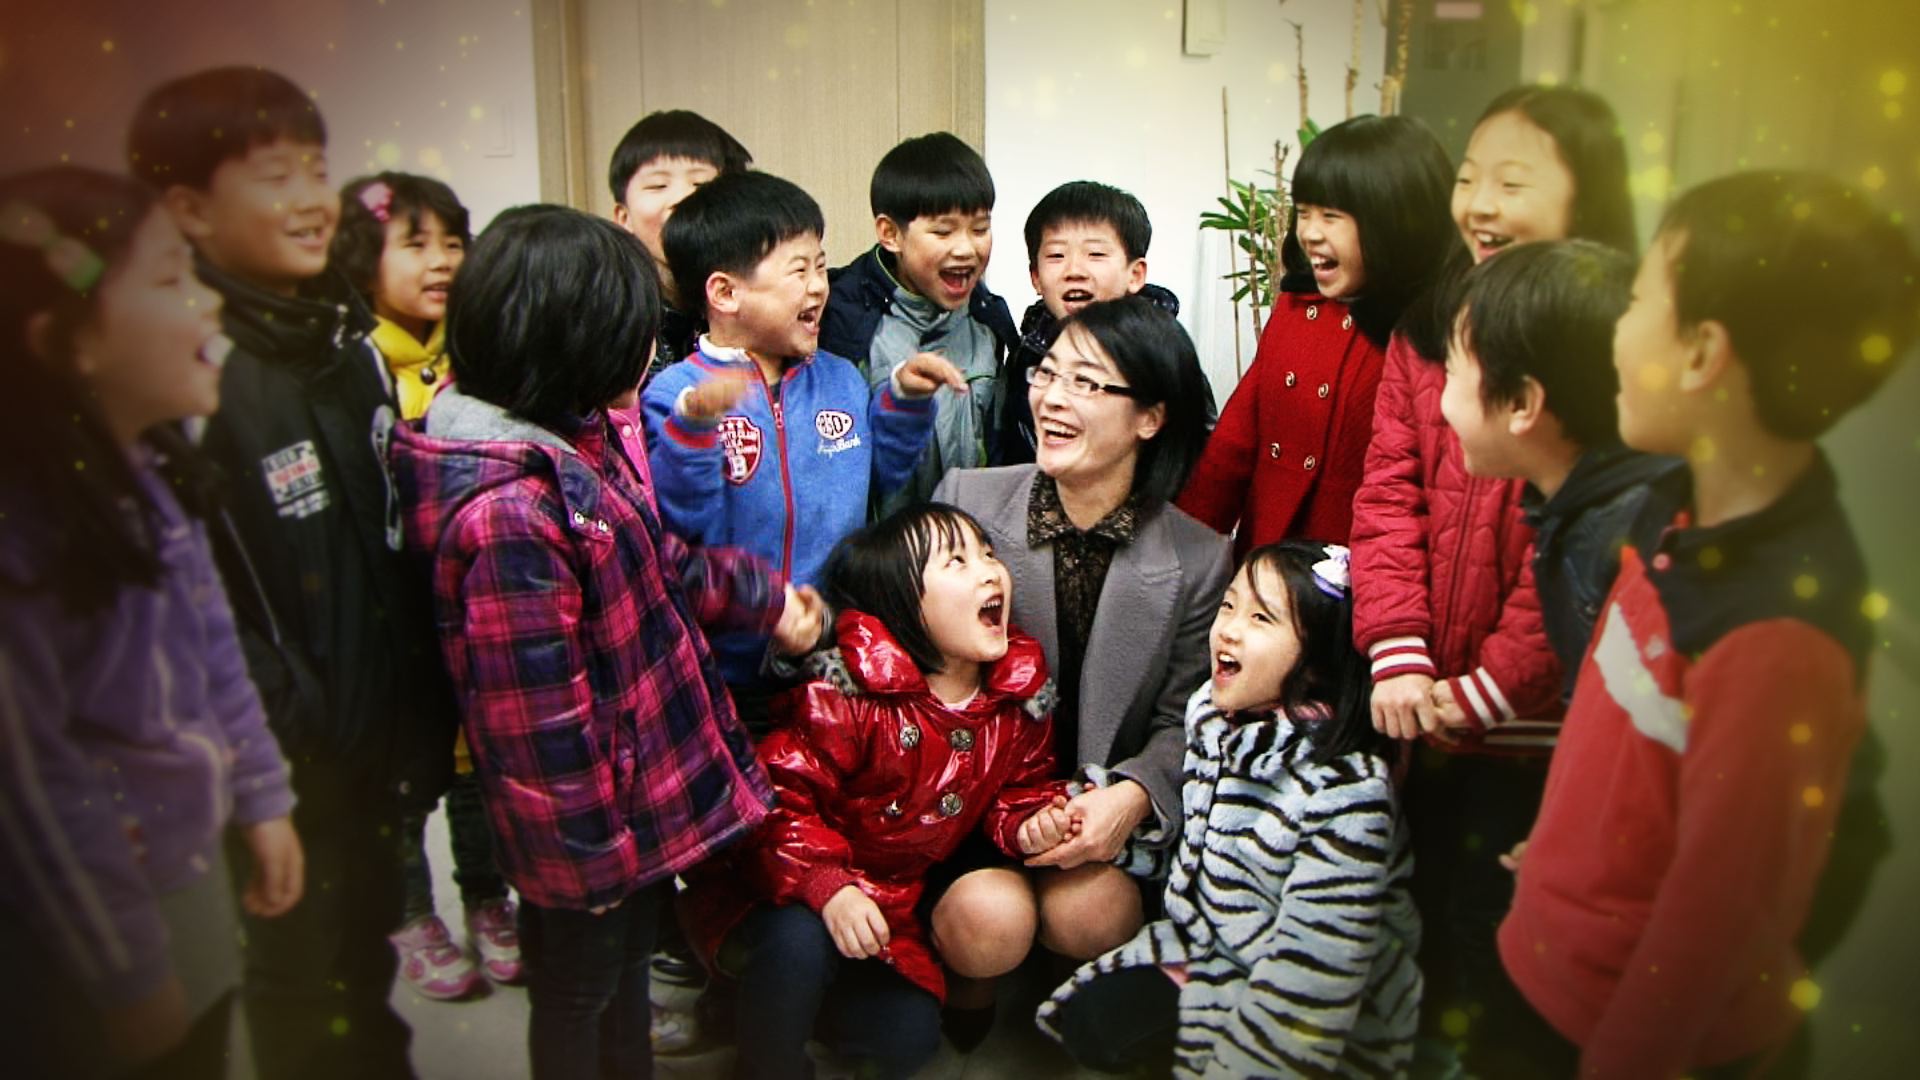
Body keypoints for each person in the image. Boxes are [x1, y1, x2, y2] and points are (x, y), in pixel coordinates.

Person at [388, 204, 823, 1080]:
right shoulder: (510, 513)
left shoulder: (573, 440)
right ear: (572, 345)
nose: (649, 354)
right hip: (584, 843)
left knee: (623, 984)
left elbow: (654, 560)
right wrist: (587, 870)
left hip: (626, 816)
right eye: (634, 337)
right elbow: (536, 729)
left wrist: (761, 597)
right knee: (580, 998)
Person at [1499, 171, 1918, 1078]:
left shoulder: (1776, 638)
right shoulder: (1671, 501)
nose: (1616, 331)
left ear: (1701, 354)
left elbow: (1713, 926)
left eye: (1638, 302)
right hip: (1555, 966)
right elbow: (1628, 723)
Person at [127, 66, 459, 1079]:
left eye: (318, 169)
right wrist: (291, 723)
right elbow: (185, 602)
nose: (315, 199)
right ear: (189, 208)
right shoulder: (189, 367)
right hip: (279, 756)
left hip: (369, 733)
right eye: (278, 176)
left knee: (359, 969)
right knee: (301, 990)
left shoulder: (346, 344)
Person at [1344, 88, 1638, 1074]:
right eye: (1469, 177)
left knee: (1504, 943)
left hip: (1533, 733)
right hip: (1418, 703)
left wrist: (1488, 689)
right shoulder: (1429, 328)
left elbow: (1574, 555)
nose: (1479, 204)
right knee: (1416, 912)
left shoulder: (1608, 351)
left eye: (1513, 183)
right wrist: (1399, 652)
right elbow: (1389, 494)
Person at [0, 165, 302, 1079]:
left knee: (205, 1038)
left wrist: (262, 796)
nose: (209, 305)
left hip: (180, 860)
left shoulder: (154, 479)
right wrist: (123, 968)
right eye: (172, 280)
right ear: (66, 342)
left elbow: (215, 657)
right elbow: (32, 784)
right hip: (76, 909)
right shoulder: (26, 540)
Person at [681, 503, 1071, 1078]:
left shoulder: (1018, 696)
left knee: (905, 1041)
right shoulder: (849, 694)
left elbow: (1023, 785)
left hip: (890, 907)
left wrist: (1030, 821)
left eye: (988, 553)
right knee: (795, 948)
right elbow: (777, 801)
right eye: (957, 562)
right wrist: (828, 886)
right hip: (788, 888)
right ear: (902, 601)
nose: (990, 571)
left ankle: (786, 1005)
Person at [929, 296, 1226, 1046]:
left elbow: (1188, 718)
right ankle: (969, 988)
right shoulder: (967, 499)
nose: (1053, 398)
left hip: (1095, 810)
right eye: (1048, 373)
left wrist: (1133, 795)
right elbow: (920, 670)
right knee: (988, 926)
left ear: (1150, 418)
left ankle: (1068, 1005)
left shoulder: (1199, 559)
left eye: (1087, 383)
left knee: (1095, 915)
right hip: (978, 798)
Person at [1038, 541, 1420, 1078]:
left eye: (1261, 618)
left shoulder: (1348, 791)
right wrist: (1102, 823)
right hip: (1211, 948)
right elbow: (1198, 852)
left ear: (1318, 660)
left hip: (1312, 1002)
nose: (1229, 630)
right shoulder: (1220, 726)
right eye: (1229, 606)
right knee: (1095, 1022)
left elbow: (1314, 978)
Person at [642, 169, 961, 733]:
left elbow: (881, 478)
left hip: (833, 655)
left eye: (821, 265)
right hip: (723, 673)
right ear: (725, 293)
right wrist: (694, 430)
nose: (819, 286)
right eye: (798, 270)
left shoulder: (839, 379)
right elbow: (683, 527)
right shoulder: (675, 395)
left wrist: (906, 400)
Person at [330, 170, 521, 1000]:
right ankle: (411, 914)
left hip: (469, 600)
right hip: (390, 612)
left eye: (452, 242)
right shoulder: (350, 367)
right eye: (414, 245)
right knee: (403, 775)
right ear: (359, 258)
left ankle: (487, 901)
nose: (441, 261)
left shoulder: (475, 357)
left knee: (478, 762)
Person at [1176, 114, 1461, 550]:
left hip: (1367, 566)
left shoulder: (1441, 331)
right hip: (1266, 560)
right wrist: (1180, 551)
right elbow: (1236, 440)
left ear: (1398, 218)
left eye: (1331, 216)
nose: (1309, 233)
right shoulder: (1297, 306)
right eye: (1304, 212)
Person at [1435, 239, 1677, 697]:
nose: (1441, 404)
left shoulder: (1637, 546)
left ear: (1521, 403)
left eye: (1450, 370)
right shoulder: (1585, 508)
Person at [819, 132, 1020, 505]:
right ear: (891, 234)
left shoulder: (988, 319)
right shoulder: (841, 322)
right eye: (943, 231)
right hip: (881, 540)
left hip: (965, 535)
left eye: (980, 228)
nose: (966, 248)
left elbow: (997, 449)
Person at [996, 180, 1192, 465]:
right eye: (1056, 255)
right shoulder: (1025, 354)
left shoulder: (1163, 356)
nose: (1074, 270)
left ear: (1135, 274)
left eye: (1096, 254)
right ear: (1036, 277)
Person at [606, 108, 753, 385]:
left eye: (700, 183)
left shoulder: (753, 303)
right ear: (624, 218)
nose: (681, 199)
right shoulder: (609, 317)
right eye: (657, 185)